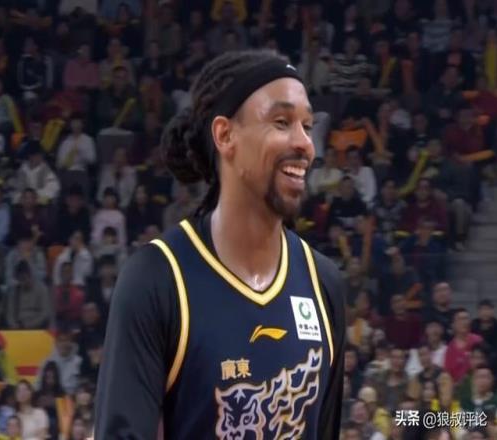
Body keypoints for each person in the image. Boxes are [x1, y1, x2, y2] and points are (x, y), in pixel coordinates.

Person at [95, 50, 346, 439]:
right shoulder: (156, 280)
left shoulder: (323, 283)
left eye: (308, 125)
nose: (305, 144)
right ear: (225, 136)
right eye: (282, 122)